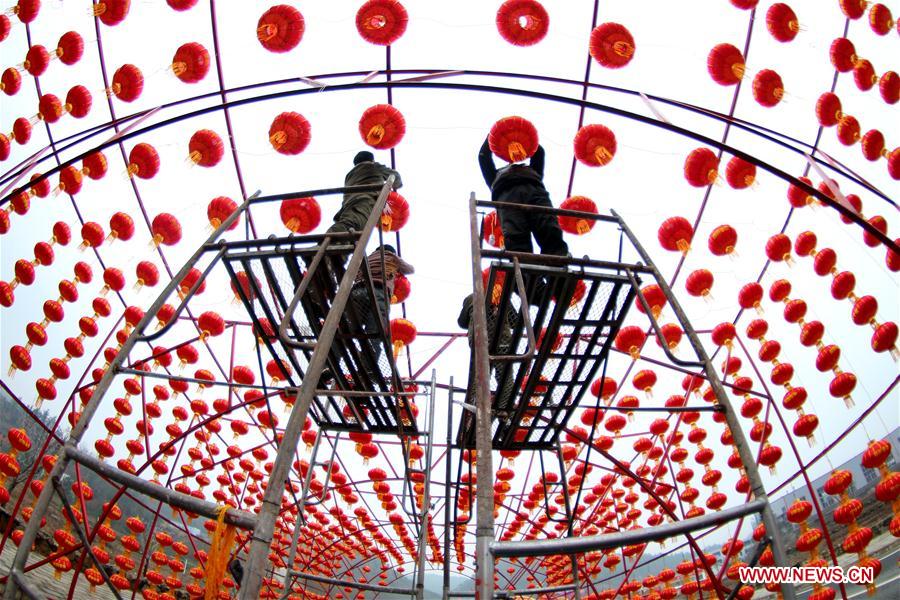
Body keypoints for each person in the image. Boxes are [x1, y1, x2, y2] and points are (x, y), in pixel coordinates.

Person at [478, 136, 569, 256]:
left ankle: (558, 269)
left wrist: (521, 135)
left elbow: (538, 152)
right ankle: (523, 272)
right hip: (507, 197)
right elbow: (483, 156)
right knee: (515, 236)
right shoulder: (494, 176)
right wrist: (494, 135)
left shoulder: (533, 170)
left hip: (535, 192)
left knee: (548, 228)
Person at [350, 245, 414, 374]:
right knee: (374, 333)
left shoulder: (366, 259)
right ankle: (367, 370)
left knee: (345, 328)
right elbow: (410, 269)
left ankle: (326, 363)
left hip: (356, 291)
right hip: (378, 292)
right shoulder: (391, 257)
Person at [457, 293, 518, 416]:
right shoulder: (502, 294)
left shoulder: (470, 297)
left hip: (479, 340)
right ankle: (506, 406)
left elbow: (462, 322)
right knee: (505, 374)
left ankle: (477, 401)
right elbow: (514, 321)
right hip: (502, 340)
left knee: (480, 373)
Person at [328, 151, 402, 235]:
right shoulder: (373, 166)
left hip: (348, 204)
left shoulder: (350, 174)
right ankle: (325, 242)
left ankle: (328, 242)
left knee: (351, 227)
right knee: (353, 224)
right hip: (364, 201)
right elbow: (396, 179)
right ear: (372, 160)